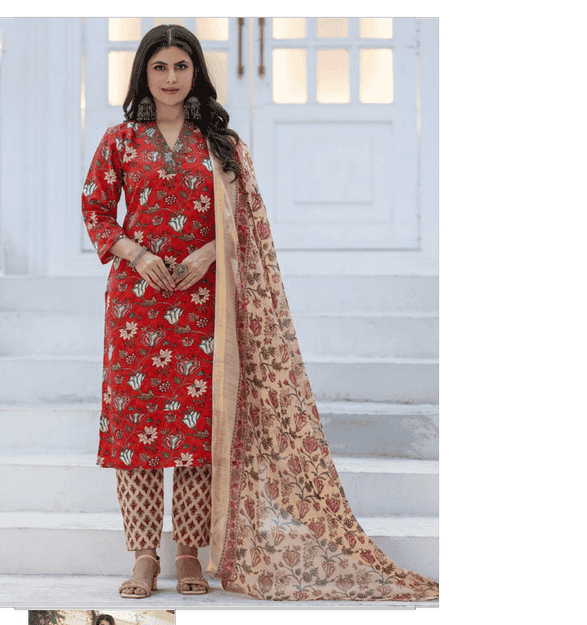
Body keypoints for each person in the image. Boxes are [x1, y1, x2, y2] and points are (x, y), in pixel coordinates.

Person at [82, 24, 439, 602]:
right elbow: (96, 208)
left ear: (196, 72)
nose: (171, 78)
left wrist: (207, 254)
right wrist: (138, 254)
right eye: (159, 67)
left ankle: (190, 552)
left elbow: (247, 221)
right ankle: (144, 556)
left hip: (206, 304)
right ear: (143, 73)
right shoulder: (119, 140)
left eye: (180, 66)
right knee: (137, 434)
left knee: (199, 431)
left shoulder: (221, 144)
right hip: (137, 306)